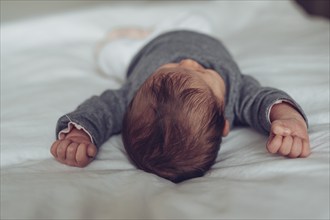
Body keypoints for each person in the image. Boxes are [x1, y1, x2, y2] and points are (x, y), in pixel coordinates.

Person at [50, 24, 310, 183]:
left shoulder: (132, 93)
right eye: (205, 75)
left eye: (173, 68)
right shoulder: (237, 91)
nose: (188, 61)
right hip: (200, 35)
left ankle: (127, 39)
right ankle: (142, 33)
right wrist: (286, 117)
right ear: (225, 124)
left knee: (110, 56)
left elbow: (102, 108)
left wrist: (80, 132)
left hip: (146, 50)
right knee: (198, 21)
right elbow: (262, 99)